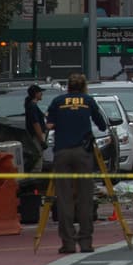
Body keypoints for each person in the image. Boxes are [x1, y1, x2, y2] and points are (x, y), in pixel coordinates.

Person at [45, 74, 108, 254]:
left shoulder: (57, 101)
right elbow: (102, 125)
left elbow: (49, 125)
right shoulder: (88, 101)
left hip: (62, 151)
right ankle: (86, 242)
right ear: (83, 87)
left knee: (64, 199)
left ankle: (68, 242)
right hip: (83, 152)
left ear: (68, 87)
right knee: (85, 198)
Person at [24, 84, 47, 173]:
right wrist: (41, 140)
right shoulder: (32, 107)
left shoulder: (33, 106)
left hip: (36, 136)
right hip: (36, 137)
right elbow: (36, 124)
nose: (42, 94)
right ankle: (35, 181)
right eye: (40, 92)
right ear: (36, 94)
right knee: (37, 159)